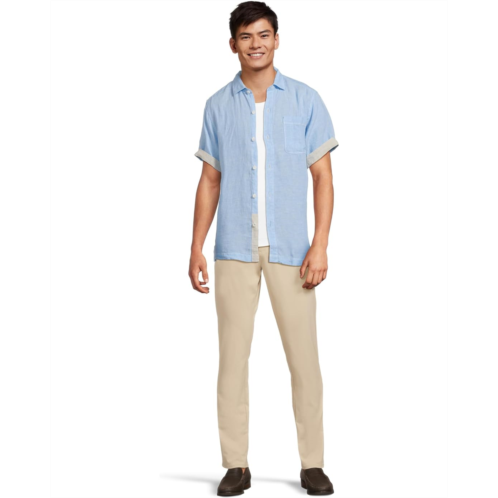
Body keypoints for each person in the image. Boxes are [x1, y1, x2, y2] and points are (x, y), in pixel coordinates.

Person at [189, 2, 338, 495]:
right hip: (233, 247)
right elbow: (210, 180)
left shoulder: (306, 100)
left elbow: (323, 177)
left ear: (277, 39)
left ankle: (312, 463)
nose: (256, 43)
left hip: (292, 251)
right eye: (246, 36)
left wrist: (320, 245)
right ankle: (236, 464)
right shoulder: (217, 105)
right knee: (231, 361)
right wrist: (196, 247)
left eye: (264, 34)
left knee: (304, 360)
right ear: (232, 44)